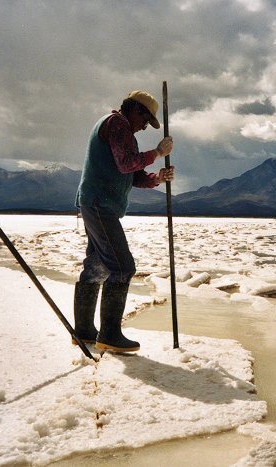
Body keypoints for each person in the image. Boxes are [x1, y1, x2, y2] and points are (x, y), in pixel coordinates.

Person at [74, 90, 174, 352]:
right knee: (122, 266)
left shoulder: (119, 128)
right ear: (136, 110)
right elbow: (126, 163)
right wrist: (158, 152)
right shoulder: (117, 124)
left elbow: (133, 174)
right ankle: (109, 335)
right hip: (99, 204)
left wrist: (157, 178)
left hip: (96, 203)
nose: (143, 127)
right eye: (145, 120)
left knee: (97, 266)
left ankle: (84, 331)